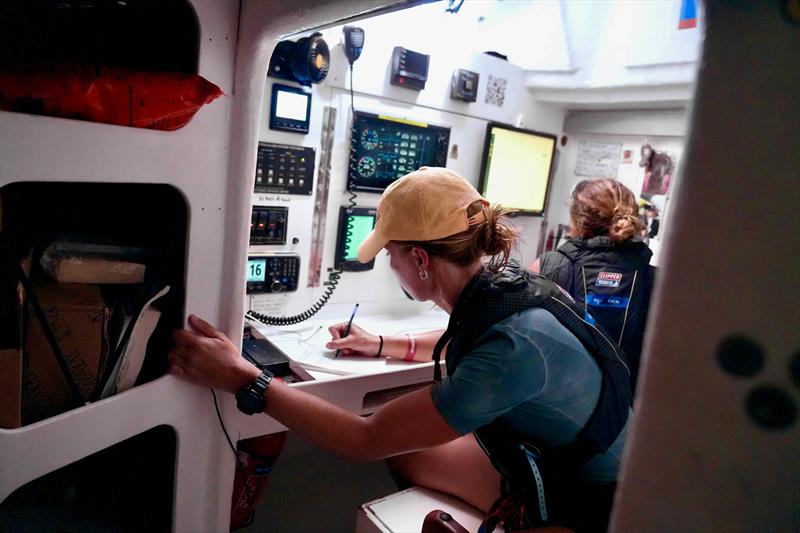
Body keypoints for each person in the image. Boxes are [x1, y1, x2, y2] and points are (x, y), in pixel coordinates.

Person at [169, 168, 632, 532]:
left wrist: (242, 378)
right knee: (408, 450)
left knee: (391, 440)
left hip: (596, 502)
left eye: (390, 252)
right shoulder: (513, 290)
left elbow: (364, 439)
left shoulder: (511, 345)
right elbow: (475, 342)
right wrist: (381, 343)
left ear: (420, 259)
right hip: (568, 459)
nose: (390, 264)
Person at [529, 178, 655, 395]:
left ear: (578, 220)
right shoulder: (658, 282)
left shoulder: (544, 267)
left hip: (556, 404)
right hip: (627, 409)